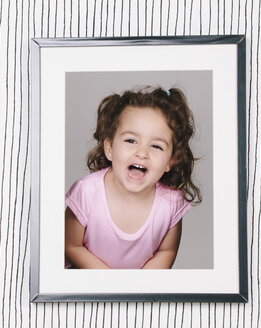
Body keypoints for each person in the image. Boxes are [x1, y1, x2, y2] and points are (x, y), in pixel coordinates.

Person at [65, 86, 202, 269]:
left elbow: (166, 252)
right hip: (86, 288)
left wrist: (138, 290)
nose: (142, 153)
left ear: (171, 161)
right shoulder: (86, 192)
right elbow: (70, 246)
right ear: (110, 148)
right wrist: (111, 285)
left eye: (156, 146)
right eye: (131, 141)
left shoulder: (171, 203)